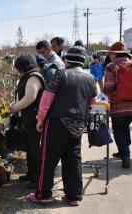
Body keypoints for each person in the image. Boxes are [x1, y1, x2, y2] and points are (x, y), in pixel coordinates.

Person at [27, 46, 96, 206]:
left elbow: (47, 98)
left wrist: (40, 119)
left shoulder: (61, 74)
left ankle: (43, 194)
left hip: (57, 121)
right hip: (78, 123)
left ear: (67, 60)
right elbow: (92, 103)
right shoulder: (90, 78)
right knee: (73, 159)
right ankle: (74, 196)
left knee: (48, 158)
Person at [10, 54, 45, 189]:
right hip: (29, 120)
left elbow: (30, 97)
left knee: (35, 150)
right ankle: (31, 174)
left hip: (35, 120)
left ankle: (37, 179)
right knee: (30, 148)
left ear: (22, 67)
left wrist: (15, 107)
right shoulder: (29, 76)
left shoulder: (33, 77)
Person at [104, 41, 132, 168]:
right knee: (125, 127)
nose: (110, 56)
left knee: (119, 130)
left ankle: (125, 156)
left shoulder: (111, 66)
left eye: (111, 53)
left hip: (118, 106)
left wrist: (105, 104)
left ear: (115, 54)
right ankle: (123, 151)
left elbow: (108, 88)